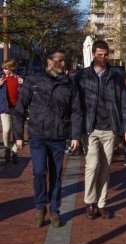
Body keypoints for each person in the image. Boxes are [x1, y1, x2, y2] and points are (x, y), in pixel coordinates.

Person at [13, 49, 82, 228]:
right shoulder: (34, 81)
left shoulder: (69, 84)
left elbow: (76, 111)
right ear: (49, 62)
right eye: (59, 60)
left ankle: (54, 210)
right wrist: (18, 136)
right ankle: (39, 207)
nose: (63, 64)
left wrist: (75, 135)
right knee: (39, 172)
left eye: (64, 61)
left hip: (58, 137)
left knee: (56, 176)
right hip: (37, 136)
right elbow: (20, 109)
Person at [75, 40, 126, 220]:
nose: (103, 58)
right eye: (99, 54)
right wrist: (75, 132)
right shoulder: (82, 76)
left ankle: (101, 203)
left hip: (110, 128)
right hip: (90, 128)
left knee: (105, 168)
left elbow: (125, 103)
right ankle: (89, 202)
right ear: (93, 54)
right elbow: (76, 105)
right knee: (92, 165)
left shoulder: (116, 76)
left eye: (106, 55)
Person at [0, 59, 23, 163]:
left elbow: (26, 92)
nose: (4, 70)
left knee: (17, 131)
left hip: (17, 108)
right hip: (4, 108)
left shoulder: (18, 78)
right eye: (3, 68)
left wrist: (24, 83)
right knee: (6, 130)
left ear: (11, 68)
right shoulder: (1, 78)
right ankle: (7, 149)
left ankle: (14, 151)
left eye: (6, 68)